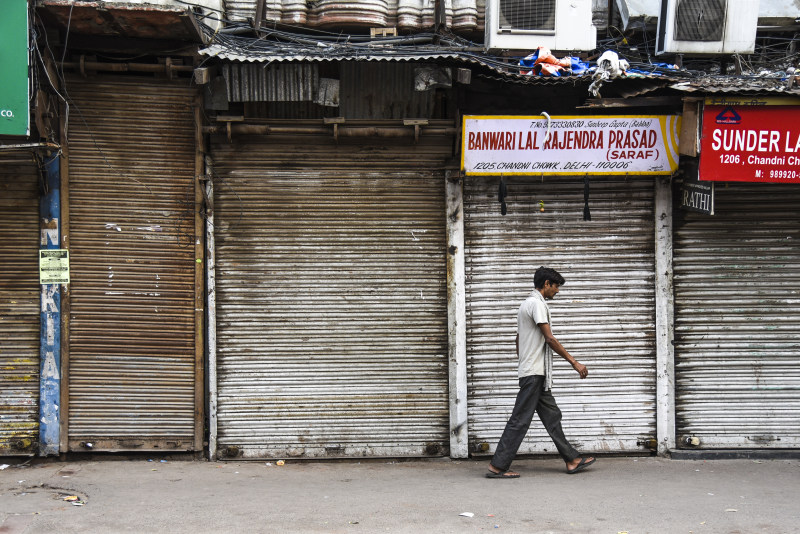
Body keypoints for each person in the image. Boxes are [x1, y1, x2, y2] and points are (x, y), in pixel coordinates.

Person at [486, 266, 595, 479]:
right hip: (534, 373)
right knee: (519, 420)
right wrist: (575, 363)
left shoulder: (525, 304)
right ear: (546, 284)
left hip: (534, 371)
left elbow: (518, 339)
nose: (557, 291)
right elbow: (550, 338)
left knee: (552, 416)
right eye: (556, 287)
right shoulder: (536, 304)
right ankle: (497, 466)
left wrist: (524, 360)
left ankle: (572, 460)